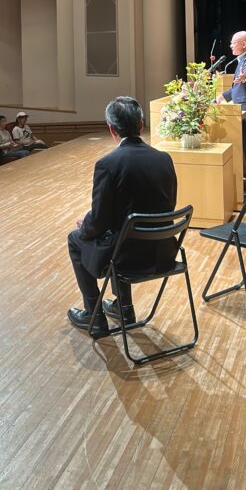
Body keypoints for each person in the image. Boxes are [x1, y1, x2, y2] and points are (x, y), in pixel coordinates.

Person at [67, 96, 178, 338]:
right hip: (164, 252)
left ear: (112, 129)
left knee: (76, 238)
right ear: (141, 125)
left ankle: (94, 316)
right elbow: (170, 205)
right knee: (121, 231)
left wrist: (85, 226)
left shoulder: (108, 164)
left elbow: (99, 220)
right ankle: (124, 308)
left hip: (127, 258)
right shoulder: (164, 158)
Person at [217, 30, 246, 191]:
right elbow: (238, 87)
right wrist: (221, 97)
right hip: (244, 111)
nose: (230, 46)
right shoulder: (242, 59)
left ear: (244, 44)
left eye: (233, 43)